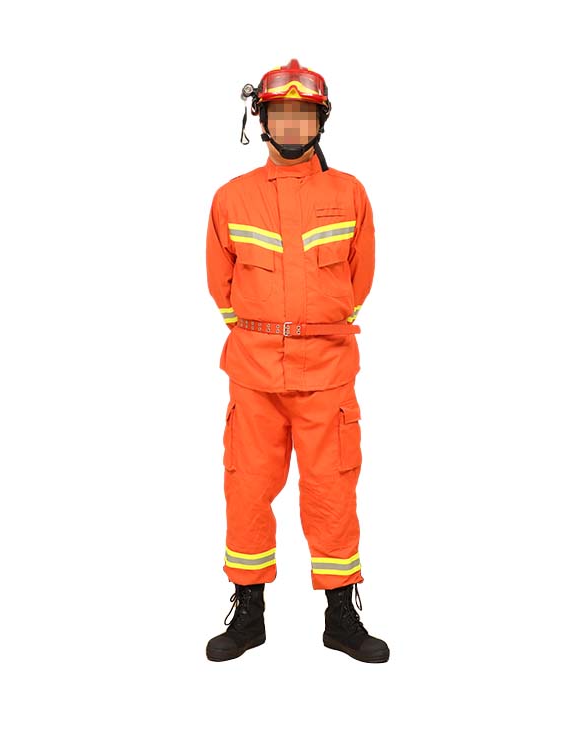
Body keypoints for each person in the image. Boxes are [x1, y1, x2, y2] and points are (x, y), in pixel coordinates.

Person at [204, 59, 389, 663]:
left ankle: (341, 616)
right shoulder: (232, 198)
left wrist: (315, 331)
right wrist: (264, 334)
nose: (290, 127)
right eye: (280, 115)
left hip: (327, 373)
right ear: (261, 120)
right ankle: (248, 612)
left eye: (302, 116)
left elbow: (359, 280)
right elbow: (221, 285)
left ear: (320, 122)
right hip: (253, 374)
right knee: (247, 488)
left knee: (332, 489)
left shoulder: (349, 193)